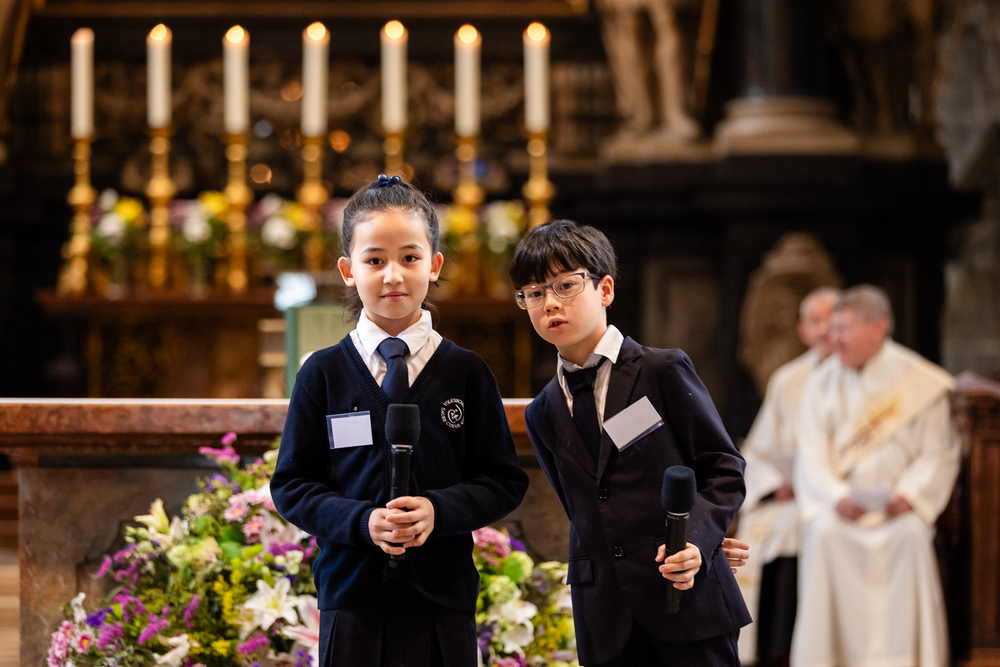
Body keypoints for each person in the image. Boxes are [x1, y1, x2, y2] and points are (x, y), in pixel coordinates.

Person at [270, 175, 529, 667]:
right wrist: (361, 521)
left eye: (409, 258)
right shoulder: (323, 373)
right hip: (351, 597)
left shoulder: (466, 372)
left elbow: (502, 481)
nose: (393, 275)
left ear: (435, 265)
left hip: (442, 600)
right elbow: (293, 485)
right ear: (348, 270)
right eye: (375, 260)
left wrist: (438, 511)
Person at [509, 219, 751, 667]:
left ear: (605, 289)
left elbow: (723, 467)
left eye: (566, 285)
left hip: (685, 599)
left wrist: (702, 541)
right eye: (534, 293)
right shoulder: (543, 411)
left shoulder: (661, 372)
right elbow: (583, 510)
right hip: (605, 617)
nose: (550, 303)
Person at [791, 285, 958, 667]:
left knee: (911, 536)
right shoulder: (820, 382)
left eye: (842, 329)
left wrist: (909, 496)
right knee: (823, 534)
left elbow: (938, 453)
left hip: (897, 513)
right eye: (831, 328)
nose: (832, 339)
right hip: (840, 513)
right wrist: (836, 497)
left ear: (877, 328)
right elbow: (810, 456)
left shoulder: (919, 382)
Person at [735, 287, 839, 666]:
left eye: (832, 319)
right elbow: (760, 449)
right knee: (770, 529)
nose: (824, 329)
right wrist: (774, 485)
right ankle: (775, 650)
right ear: (802, 330)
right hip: (792, 496)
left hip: (834, 500)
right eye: (815, 321)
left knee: (802, 528)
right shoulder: (788, 379)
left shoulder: (857, 376)